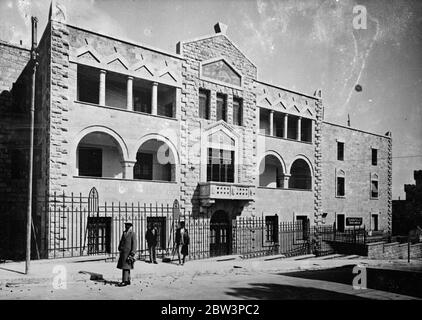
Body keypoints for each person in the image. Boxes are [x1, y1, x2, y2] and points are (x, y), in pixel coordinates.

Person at [117, 222, 137, 286]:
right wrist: (120, 247)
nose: (126, 226)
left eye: (128, 225)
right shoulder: (124, 233)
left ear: (130, 226)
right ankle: (128, 280)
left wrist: (133, 253)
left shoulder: (132, 234)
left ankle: (124, 281)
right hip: (123, 252)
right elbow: (121, 241)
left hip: (129, 253)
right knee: (126, 267)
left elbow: (134, 244)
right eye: (126, 225)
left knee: (125, 267)